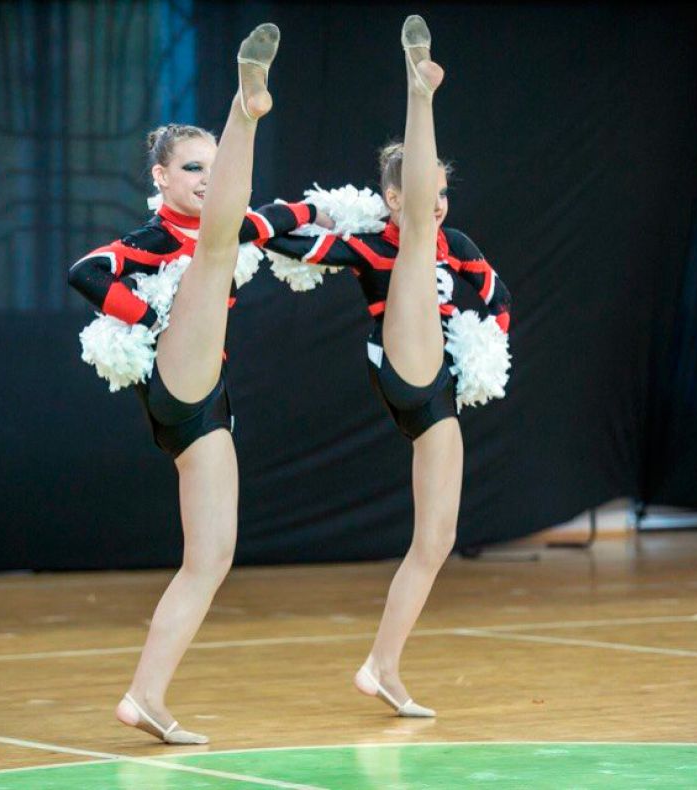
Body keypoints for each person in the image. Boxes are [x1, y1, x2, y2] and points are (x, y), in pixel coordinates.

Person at [68, 24, 329, 743]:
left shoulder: (226, 224)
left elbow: (273, 221)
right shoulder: (155, 239)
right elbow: (87, 271)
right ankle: (247, 107)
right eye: (192, 168)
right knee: (219, 240)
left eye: (212, 168)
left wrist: (322, 213)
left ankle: (146, 697)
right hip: (175, 371)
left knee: (211, 557)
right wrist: (147, 313)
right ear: (160, 178)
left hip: (207, 401)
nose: (204, 178)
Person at [265, 15, 511, 717]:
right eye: (424, 191)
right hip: (401, 356)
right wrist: (301, 212)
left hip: (436, 389)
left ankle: (383, 666)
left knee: (437, 539)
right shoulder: (375, 243)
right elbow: (288, 242)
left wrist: (487, 344)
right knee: (416, 247)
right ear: (393, 199)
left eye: (443, 192)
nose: (437, 204)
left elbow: (497, 295)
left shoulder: (458, 243)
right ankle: (418, 92)